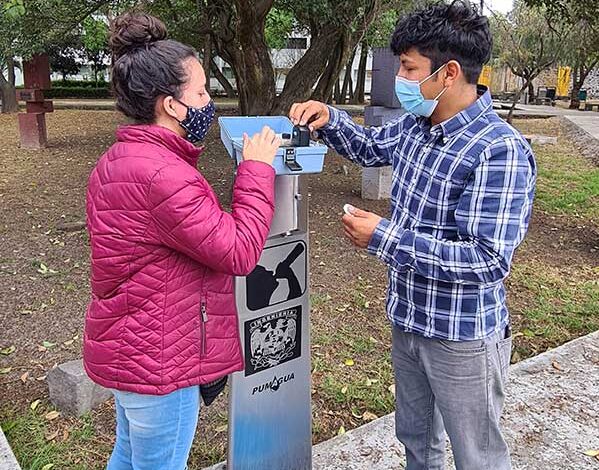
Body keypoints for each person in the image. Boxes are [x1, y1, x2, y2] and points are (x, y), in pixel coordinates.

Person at [289, 2, 536, 469]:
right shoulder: (418, 125)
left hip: (461, 336)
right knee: (418, 442)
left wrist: (384, 236)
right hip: (409, 319)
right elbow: (370, 147)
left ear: (448, 73)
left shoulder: (498, 150)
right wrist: (330, 118)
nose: (400, 78)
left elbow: (486, 260)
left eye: (408, 68)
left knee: (477, 455)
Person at [83, 12, 280, 470]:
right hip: (160, 364)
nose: (209, 101)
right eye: (202, 92)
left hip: (131, 348)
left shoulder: (116, 161)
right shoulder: (165, 175)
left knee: (129, 456)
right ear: (172, 105)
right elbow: (239, 250)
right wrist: (256, 170)